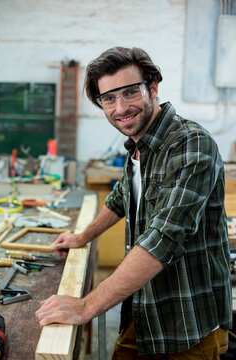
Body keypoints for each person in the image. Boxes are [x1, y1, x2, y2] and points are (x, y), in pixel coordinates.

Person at [36, 47, 232, 359]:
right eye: (109, 99)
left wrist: (86, 306)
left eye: (130, 92)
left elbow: (163, 238)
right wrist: (82, 236)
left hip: (189, 324)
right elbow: (120, 198)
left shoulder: (191, 144)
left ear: (152, 88)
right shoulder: (139, 144)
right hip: (142, 311)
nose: (121, 107)